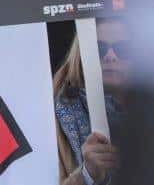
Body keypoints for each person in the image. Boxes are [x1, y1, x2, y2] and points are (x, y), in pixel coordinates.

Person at [54, 18, 128, 185]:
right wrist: (87, 174)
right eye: (99, 49)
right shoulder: (55, 116)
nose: (110, 57)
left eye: (122, 49)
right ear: (82, 55)